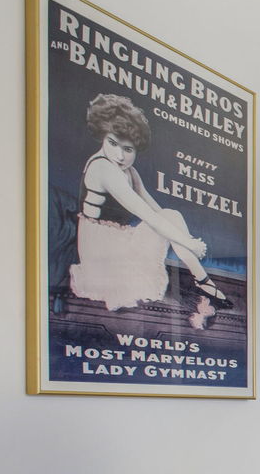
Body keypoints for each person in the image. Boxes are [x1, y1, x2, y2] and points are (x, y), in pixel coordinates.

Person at [69, 93, 232, 312]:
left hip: (117, 243)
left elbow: (158, 211)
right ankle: (204, 282)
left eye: (128, 149)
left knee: (171, 215)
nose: (119, 155)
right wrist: (189, 243)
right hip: (101, 254)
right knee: (169, 219)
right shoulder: (103, 168)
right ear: (102, 136)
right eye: (113, 143)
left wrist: (185, 239)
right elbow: (148, 216)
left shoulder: (129, 172)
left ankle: (203, 282)